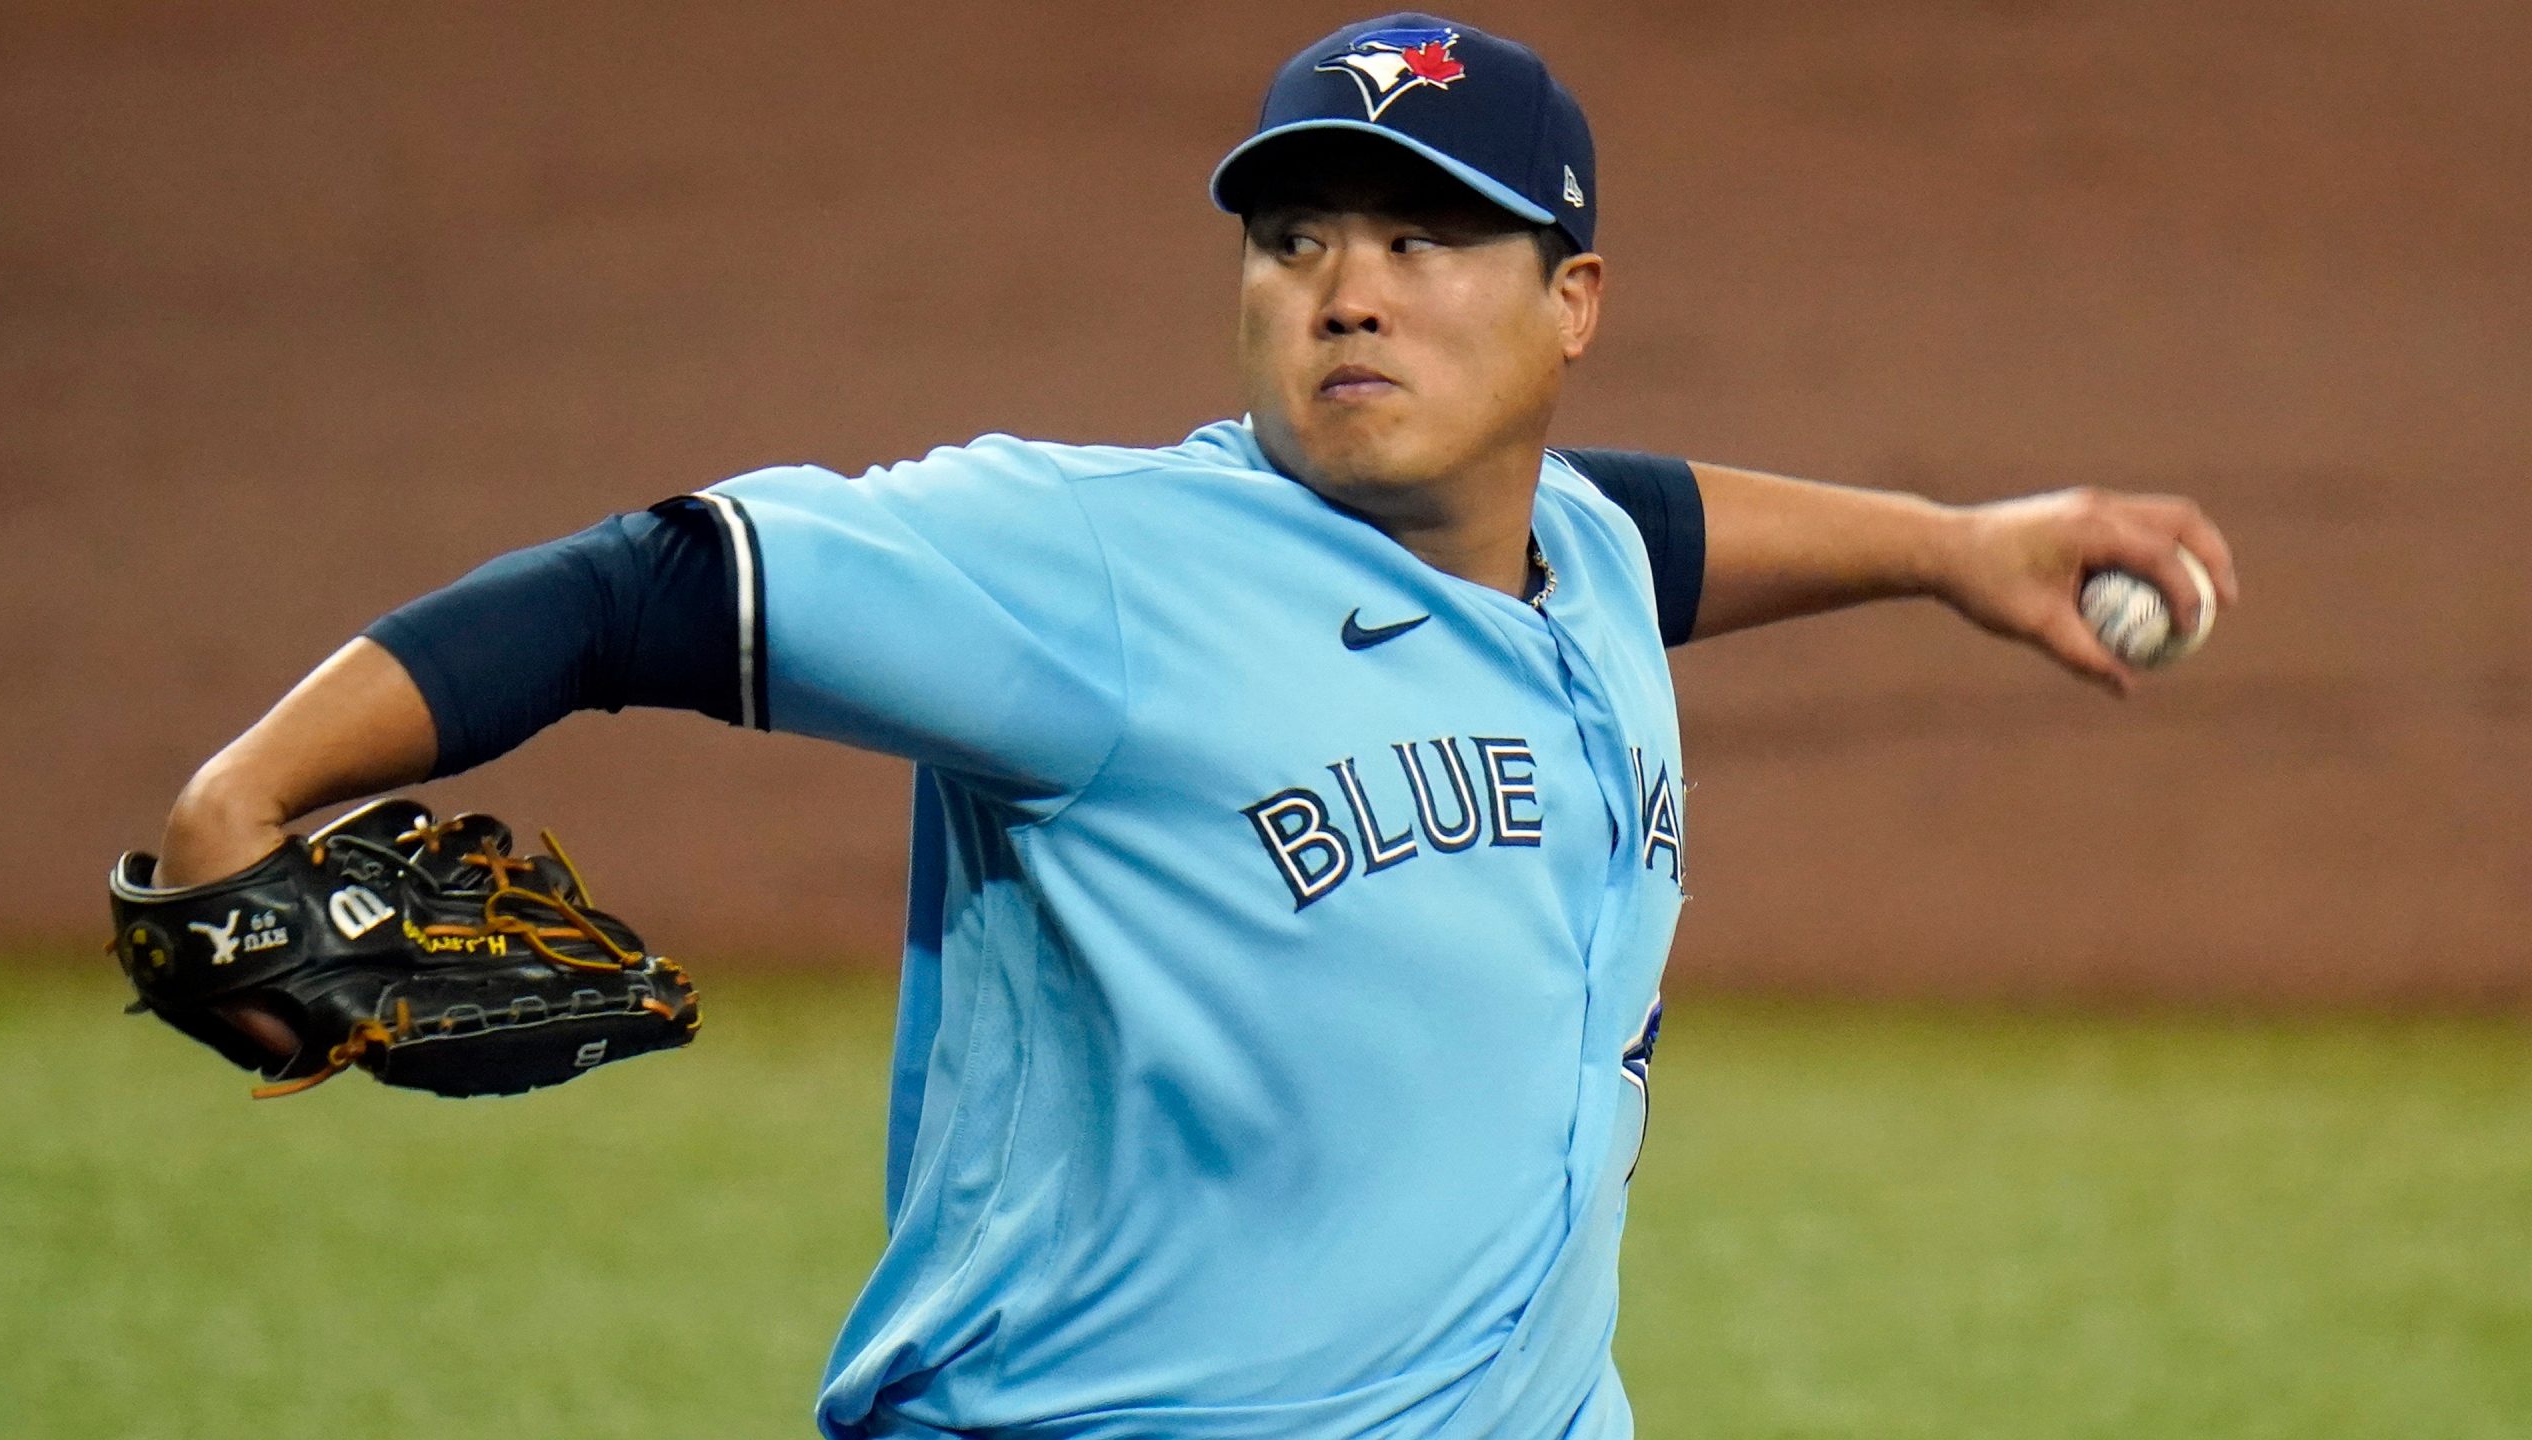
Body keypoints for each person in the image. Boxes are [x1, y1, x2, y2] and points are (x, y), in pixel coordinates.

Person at [144, 14, 2236, 1438]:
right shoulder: (1089, 570)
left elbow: (1658, 529)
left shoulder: (1575, 562)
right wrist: (252, 793)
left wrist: (1957, 545)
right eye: (1292, 236)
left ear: (1568, 305)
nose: (1344, 288)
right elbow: (648, 587)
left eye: (1422, 236)